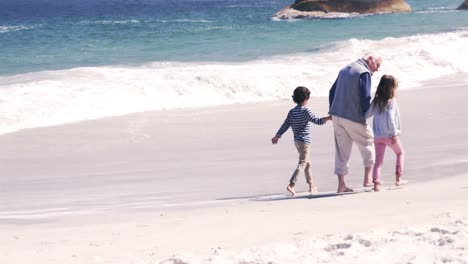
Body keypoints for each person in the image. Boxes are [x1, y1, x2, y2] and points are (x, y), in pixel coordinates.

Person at [328, 53, 382, 193]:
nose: (377, 70)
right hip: (352, 116)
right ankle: (368, 179)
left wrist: (332, 111)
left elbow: (331, 91)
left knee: (341, 151)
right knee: (368, 141)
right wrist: (365, 114)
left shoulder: (345, 69)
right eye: (377, 65)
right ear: (370, 60)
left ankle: (341, 184)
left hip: (337, 115)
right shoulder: (364, 73)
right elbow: (365, 98)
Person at [271, 86, 332, 197]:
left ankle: (311, 184)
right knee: (303, 163)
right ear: (305, 98)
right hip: (305, 142)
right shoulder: (305, 111)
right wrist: (328, 118)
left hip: (297, 142)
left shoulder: (292, 112)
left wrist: (277, 136)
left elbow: (285, 125)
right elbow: (317, 121)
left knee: (307, 163)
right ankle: (292, 184)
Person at [365, 75, 408, 191]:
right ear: (391, 88)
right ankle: (399, 179)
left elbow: (367, 114)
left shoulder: (376, 100)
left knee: (378, 161)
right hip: (389, 135)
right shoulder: (391, 101)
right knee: (400, 153)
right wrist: (394, 133)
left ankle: (376, 184)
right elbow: (390, 117)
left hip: (378, 136)